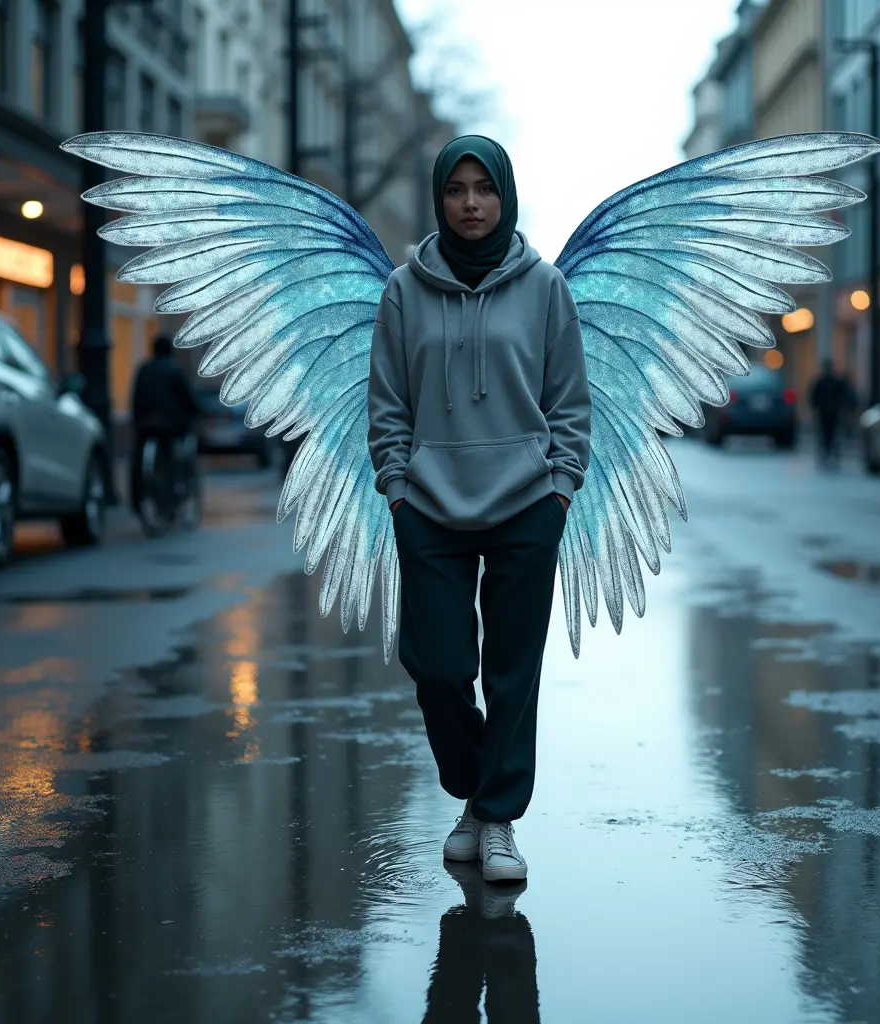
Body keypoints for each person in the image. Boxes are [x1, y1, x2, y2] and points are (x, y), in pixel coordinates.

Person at [367, 137, 591, 884]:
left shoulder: (546, 286)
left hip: (528, 500)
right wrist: (396, 487)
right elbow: (388, 402)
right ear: (439, 198)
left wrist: (561, 486)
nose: (470, 203)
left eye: (484, 189)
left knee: (511, 670)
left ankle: (494, 818)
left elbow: (569, 402)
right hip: (428, 502)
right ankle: (475, 790)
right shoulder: (404, 288)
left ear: (505, 196)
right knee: (437, 664)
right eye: (457, 189)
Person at [130, 334, 200, 512]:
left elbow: (135, 398)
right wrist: (196, 412)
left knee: (137, 459)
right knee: (174, 454)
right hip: (169, 426)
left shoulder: (143, 369)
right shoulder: (174, 370)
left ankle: (138, 498)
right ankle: (174, 488)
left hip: (144, 425)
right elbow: (188, 400)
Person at [808, 358, 856, 465]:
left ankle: (828, 451)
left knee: (825, 432)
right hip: (832, 411)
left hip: (825, 411)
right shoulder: (835, 381)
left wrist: (815, 407)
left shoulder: (821, 381)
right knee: (832, 432)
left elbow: (813, 396)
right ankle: (830, 451)